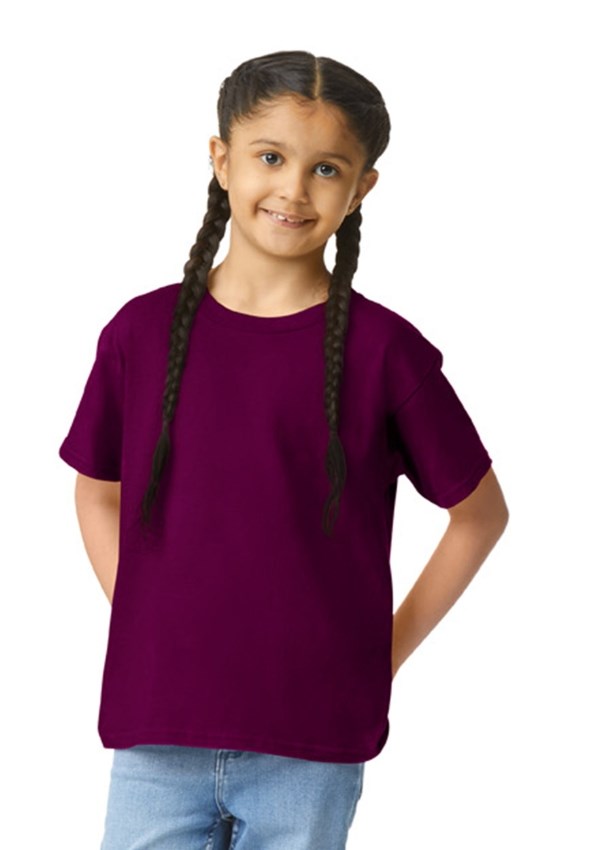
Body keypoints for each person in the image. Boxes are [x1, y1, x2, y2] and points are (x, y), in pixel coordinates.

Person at [59, 50, 509, 850]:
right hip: (159, 728)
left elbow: (479, 514)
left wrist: (381, 651)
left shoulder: (386, 352)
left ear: (362, 187)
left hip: (313, 742)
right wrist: (146, 614)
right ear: (221, 158)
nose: (294, 190)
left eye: (326, 168)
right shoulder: (140, 332)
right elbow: (96, 487)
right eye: (271, 157)